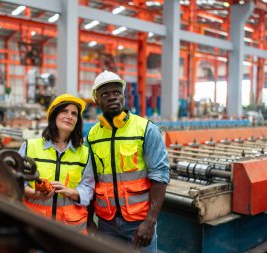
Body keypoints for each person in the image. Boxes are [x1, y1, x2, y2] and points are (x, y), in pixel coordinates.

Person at [86, 71, 170, 252]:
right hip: (106, 224)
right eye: (105, 94)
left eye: (117, 92)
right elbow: (89, 181)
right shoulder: (93, 135)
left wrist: (150, 221)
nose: (112, 97)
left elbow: (160, 176)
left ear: (123, 96)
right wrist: (89, 220)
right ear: (96, 100)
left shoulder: (145, 129)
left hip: (139, 223)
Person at [19, 94, 94, 234]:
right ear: (54, 116)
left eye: (74, 114)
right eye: (64, 111)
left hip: (71, 229)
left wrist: (71, 192)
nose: (69, 116)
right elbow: (16, 182)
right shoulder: (30, 147)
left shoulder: (85, 153)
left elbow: (89, 187)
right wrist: (34, 194)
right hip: (36, 226)